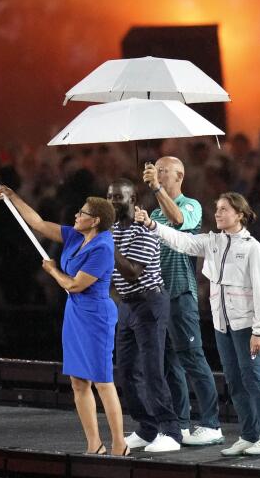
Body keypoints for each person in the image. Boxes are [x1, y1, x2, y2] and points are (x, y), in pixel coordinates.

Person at [136, 191, 260, 456]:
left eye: (224, 209)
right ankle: (249, 435)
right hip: (222, 326)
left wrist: (259, 330)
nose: (217, 213)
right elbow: (181, 241)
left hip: (246, 326)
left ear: (240, 214)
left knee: (253, 380)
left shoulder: (253, 249)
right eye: (217, 209)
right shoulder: (212, 242)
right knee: (235, 382)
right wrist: (152, 225)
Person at [0, 185, 128, 456]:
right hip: (76, 313)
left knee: (103, 381)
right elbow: (39, 224)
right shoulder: (75, 236)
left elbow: (76, 285)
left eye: (83, 213)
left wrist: (53, 271)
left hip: (96, 315)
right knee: (79, 381)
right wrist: (13, 197)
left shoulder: (102, 247)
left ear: (96, 220)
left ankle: (119, 445)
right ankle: (94, 444)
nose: (77, 215)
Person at [141, 157, 224, 446]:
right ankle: (182, 424)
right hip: (158, 295)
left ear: (180, 175)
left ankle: (212, 424)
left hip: (180, 293)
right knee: (168, 364)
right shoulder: (153, 211)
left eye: (165, 171)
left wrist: (155, 189)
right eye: (157, 170)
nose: (160, 174)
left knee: (192, 359)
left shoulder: (192, 205)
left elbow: (178, 221)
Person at [108, 179, 182, 453]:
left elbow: (133, 272)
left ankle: (171, 431)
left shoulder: (145, 229)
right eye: (110, 197)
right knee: (127, 371)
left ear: (133, 199)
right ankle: (147, 427)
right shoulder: (114, 228)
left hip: (150, 302)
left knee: (152, 370)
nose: (113, 202)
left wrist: (107, 244)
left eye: (118, 197)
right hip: (127, 305)